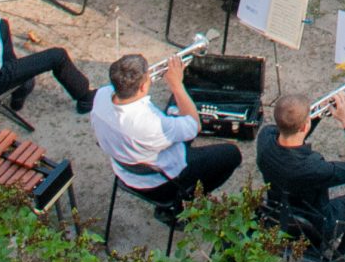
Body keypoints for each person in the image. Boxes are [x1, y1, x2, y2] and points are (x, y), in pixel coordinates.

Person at [91, 49, 240, 208]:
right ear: (142, 87)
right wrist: (177, 85)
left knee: (174, 109)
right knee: (232, 154)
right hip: (162, 184)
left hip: (124, 171)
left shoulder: (101, 95)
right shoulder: (153, 124)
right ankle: (184, 200)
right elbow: (194, 125)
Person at [256, 87, 345, 254]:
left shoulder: (264, 139)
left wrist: (318, 113)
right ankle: (343, 256)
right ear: (304, 127)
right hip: (316, 227)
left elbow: (291, 130)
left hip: (279, 215)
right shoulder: (313, 167)